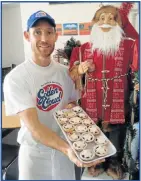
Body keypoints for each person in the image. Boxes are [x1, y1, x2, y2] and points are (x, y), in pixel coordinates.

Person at [3, 10, 104, 180]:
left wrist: (89, 140)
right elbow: (34, 127)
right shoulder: (16, 78)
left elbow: (72, 105)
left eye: (49, 32)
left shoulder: (66, 73)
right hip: (34, 155)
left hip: (64, 153)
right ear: (27, 36)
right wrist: (67, 149)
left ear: (55, 36)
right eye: (37, 32)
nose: (44, 38)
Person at [69, 4, 139, 179]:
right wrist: (79, 70)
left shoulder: (130, 46)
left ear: (118, 24)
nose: (106, 22)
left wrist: (126, 22)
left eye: (111, 18)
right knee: (95, 133)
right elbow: (72, 72)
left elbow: (137, 63)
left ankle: (114, 163)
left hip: (118, 102)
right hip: (92, 103)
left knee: (116, 133)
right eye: (101, 18)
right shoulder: (83, 49)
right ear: (94, 24)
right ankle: (97, 162)